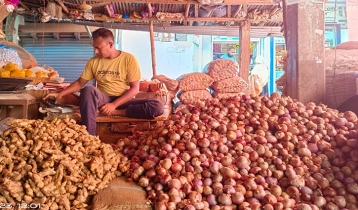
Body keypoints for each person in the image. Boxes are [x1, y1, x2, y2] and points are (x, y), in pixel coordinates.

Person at [44, 28, 164, 135]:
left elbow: (134, 89)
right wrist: (61, 94)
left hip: (123, 100)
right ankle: (90, 138)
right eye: (94, 48)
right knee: (88, 90)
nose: (95, 51)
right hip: (103, 100)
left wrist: (113, 106)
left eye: (98, 48)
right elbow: (80, 83)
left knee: (157, 106)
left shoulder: (129, 59)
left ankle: (116, 112)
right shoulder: (94, 62)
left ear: (110, 44)